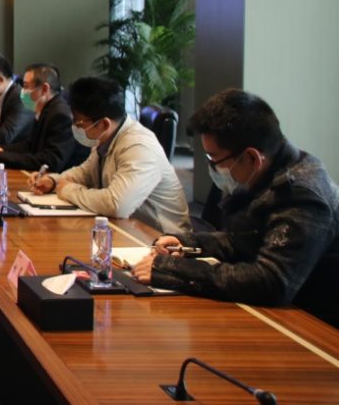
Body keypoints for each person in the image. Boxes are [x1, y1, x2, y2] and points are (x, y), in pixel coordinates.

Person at [131, 89, 339, 327]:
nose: (213, 168)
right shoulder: (264, 170)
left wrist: (172, 269)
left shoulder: (303, 196)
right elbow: (242, 239)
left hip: (312, 327)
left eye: (214, 159)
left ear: (251, 157)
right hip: (272, 314)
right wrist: (187, 243)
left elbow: (271, 282)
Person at [29, 76, 190, 232]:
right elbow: (85, 173)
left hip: (162, 238)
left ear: (104, 123)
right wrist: (53, 181)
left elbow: (117, 204)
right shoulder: (106, 137)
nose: (75, 127)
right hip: (126, 229)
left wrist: (67, 190)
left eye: (78, 122)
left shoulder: (139, 146)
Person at [0, 63, 85, 171]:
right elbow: (29, 145)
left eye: (26, 86)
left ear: (44, 89)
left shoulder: (60, 115)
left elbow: (50, 161)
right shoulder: (46, 108)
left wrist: (0, 156)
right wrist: (1, 149)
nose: (23, 91)